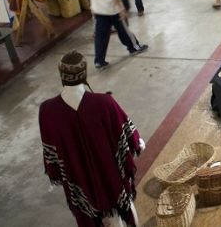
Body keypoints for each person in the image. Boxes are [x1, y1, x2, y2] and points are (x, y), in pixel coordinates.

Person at [39, 50, 145, 226]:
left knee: (87, 215)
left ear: (62, 76)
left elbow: (51, 153)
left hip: (77, 179)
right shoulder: (105, 103)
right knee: (122, 212)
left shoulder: (47, 111)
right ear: (84, 75)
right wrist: (137, 144)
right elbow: (129, 137)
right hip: (111, 177)